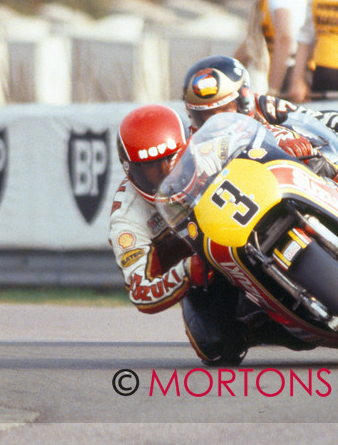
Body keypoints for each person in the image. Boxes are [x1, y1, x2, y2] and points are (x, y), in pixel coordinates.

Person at [109, 104, 313, 366]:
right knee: (215, 346)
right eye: (150, 167)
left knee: (316, 164)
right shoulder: (127, 216)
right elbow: (141, 292)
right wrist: (185, 271)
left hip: (259, 217)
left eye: (173, 158)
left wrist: (287, 141)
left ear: (189, 143)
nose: (166, 173)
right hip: (209, 271)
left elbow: (262, 132)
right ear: (129, 170)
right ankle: (273, 325)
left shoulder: (212, 147)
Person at [182, 54, 338, 245]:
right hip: (248, 213)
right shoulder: (196, 148)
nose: (217, 121)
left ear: (244, 99)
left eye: (226, 110)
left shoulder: (262, 105)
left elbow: (313, 116)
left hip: (297, 182)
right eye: (206, 116)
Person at [233, 0, 307, 96]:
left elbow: (285, 37)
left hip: (290, 72)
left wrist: (273, 90)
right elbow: (249, 44)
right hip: (286, 70)